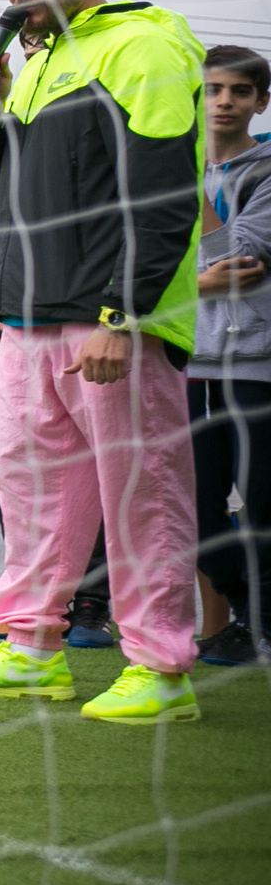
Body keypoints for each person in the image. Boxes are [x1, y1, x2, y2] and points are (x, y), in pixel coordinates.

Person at [0, 0, 206, 724]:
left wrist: (127, 310)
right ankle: (30, 650)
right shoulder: (39, 60)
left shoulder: (144, 45)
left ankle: (161, 667)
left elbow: (161, 193)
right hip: (29, 314)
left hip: (113, 315)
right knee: (32, 489)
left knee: (141, 490)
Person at [190, 43, 270, 665]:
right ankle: (243, 611)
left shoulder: (265, 170)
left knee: (263, 498)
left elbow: (234, 259)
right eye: (212, 90)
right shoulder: (164, 166)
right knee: (195, 506)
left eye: (238, 92)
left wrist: (189, 193)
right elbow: (131, 260)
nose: (223, 101)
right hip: (186, 363)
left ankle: (255, 618)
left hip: (256, 363)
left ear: (260, 102)